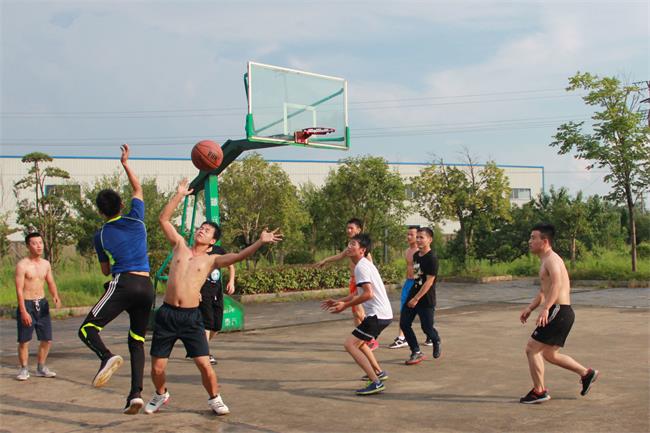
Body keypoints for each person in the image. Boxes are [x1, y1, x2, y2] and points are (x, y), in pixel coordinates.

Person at [145, 178, 282, 416]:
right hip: (167, 314)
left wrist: (260, 241)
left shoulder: (212, 260)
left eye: (207, 230)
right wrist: (179, 195)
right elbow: (163, 219)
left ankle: (215, 398)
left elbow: (238, 256)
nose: (201, 230)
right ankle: (160, 394)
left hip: (191, 317)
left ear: (213, 241)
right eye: (201, 227)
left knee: (204, 364)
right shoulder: (179, 246)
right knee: (157, 367)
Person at [77, 144, 155, 415]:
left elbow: (104, 270)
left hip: (124, 283)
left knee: (87, 329)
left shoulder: (100, 235)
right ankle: (135, 395)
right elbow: (138, 188)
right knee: (137, 340)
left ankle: (106, 356)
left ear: (101, 212)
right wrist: (125, 164)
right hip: (146, 287)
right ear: (122, 205)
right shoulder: (137, 220)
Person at [519, 223, 599, 404]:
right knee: (549, 354)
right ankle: (586, 373)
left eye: (533, 238)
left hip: (558, 310)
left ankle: (539, 392)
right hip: (561, 312)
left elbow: (557, 284)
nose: (529, 241)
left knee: (532, 349)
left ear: (544, 241)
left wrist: (546, 308)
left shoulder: (552, 260)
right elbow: (543, 291)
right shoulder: (545, 261)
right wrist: (530, 308)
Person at [321, 233, 393, 396]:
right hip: (382, 315)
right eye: (349, 243)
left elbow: (368, 294)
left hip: (377, 316)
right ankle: (378, 374)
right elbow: (357, 294)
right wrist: (339, 301)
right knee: (359, 344)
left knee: (350, 345)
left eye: (353, 244)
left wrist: (345, 306)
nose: (349, 246)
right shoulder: (364, 265)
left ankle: (376, 382)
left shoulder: (361, 267)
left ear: (362, 250)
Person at [316, 218, 378, 351]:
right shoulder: (351, 247)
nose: (349, 230)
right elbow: (340, 256)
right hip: (353, 281)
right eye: (347, 228)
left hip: (361, 283)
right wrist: (325, 260)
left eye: (351, 228)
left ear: (359, 230)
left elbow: (371, 270)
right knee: (356, 314)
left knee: (359, 312)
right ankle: (361, 339)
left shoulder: (363, 252)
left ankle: (370, 339)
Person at [14, 232, 61, 381]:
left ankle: (41, 368)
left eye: (40, 242)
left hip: (42, 304)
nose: (39, 246)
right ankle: (24, 369)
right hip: (27, 304)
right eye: (35, 243)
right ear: (28, 246)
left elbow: (50, 282)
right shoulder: (22, 265)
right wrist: (23, 311)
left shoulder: (45, 264)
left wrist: (55, 296)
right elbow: (19, 290)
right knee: (24, 340)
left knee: (47, 339)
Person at [400, 227, 442, 365]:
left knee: (427, 328)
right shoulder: (417, 256)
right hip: (413, 293)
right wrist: (411, 295)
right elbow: (418, 277)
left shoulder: (432, 258)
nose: (418, 240)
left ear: (430, 240)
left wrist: (416, 299)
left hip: (426, 298)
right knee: (404, 323)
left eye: (421, 237)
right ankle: (416, 351)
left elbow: (429, 282)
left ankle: (435, 339)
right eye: (417, 237)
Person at [388, 225, 428, 349]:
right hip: (408, 283)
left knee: (423, 311)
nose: (409, 237)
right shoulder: (407, 251)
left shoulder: (419, 252)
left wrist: (418, 287)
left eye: (412, 235)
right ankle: (402, 337)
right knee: (404, 309)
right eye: (408, 234)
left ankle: (430, 334)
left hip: (417, 284)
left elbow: (420, 272)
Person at [199, 244, 236, 365]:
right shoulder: (198, 252)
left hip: (217, 293)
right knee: (207, 324)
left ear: (213, 239)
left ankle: (198, 347)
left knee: (217, 326)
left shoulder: (218, 250)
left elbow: (231, 266)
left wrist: (231, 281)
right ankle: (205, 353)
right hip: (203, 293)